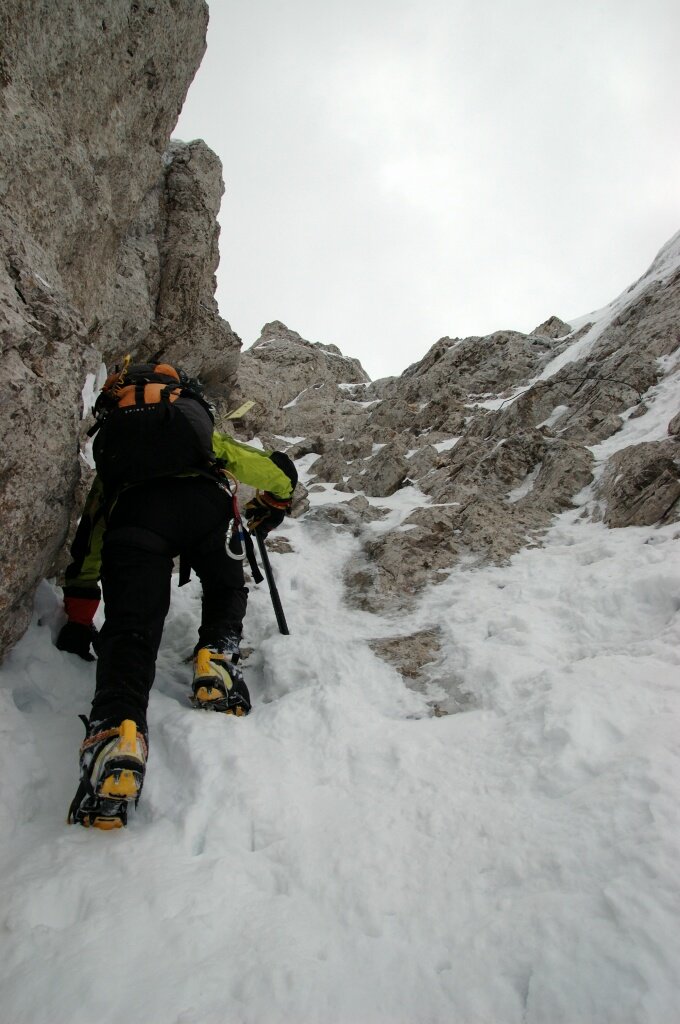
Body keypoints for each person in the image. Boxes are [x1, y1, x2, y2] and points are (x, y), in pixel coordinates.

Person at [56, 360, 297, 830]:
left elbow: (91, 536)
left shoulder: (119, 449)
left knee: (130, 627)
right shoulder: (191, 425)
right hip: (204, 505)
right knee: (226, 585)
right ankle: (216, 657)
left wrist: (80, 616)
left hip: (136, 514)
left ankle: (117, 731)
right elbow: (266, 471)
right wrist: (276, 498)